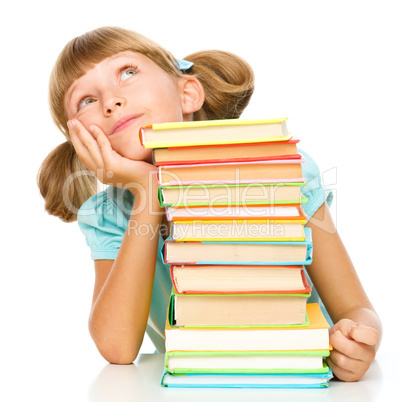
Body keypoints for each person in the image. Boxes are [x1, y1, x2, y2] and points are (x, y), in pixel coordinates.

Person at [37, 26, 381, 382]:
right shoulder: (107, 215)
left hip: (298, 378)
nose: (110, 101)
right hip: (196, 384)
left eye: (127, 72)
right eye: (87, 100)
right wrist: (147, 189)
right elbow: (118, 348)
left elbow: (356, 309)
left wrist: (357, 341)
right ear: (79, 139)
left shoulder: (282, 172)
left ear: (187, 93)